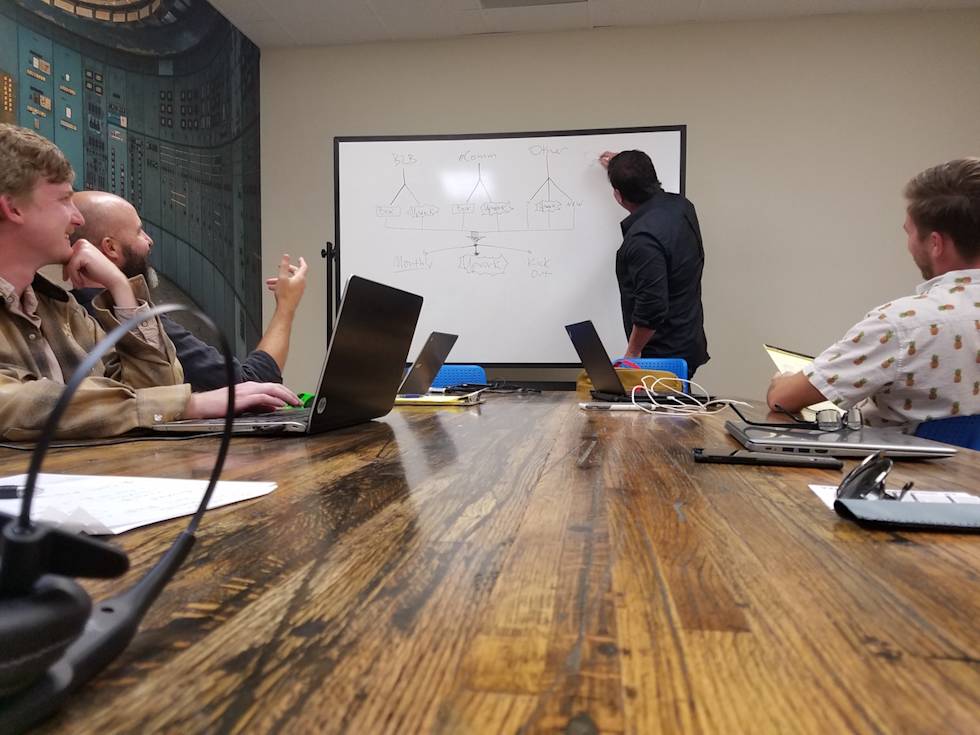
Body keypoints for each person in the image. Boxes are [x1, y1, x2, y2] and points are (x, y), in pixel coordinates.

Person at [0, 123, 299, 440]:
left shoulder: (61, 310)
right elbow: (17, 403)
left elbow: (159, 393)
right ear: (13, 208)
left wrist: (120, 288)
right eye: (63, 200)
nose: (77, 219)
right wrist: (187, 404)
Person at [767, 158, 980, 426]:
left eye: (910, 233)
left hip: (900, 468)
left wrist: (782, 380)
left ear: (935, 243)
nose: (910, 245)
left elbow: (783, 399)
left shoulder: (903, 324)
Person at [68, 191, 308, 392]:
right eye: (140, 232)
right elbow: (251, 384)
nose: (149, 241)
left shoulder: (70, 311)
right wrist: (286, 307)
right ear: (111, 247)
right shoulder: (133, 322)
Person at [599, 150, 709, 377]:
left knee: (659, 413)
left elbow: (651, 307)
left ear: (618, 196)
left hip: (662, 357)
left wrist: (632, 353)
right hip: (687, 338)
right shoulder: (682, 206)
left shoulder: (643, 240)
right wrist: (624, 167)